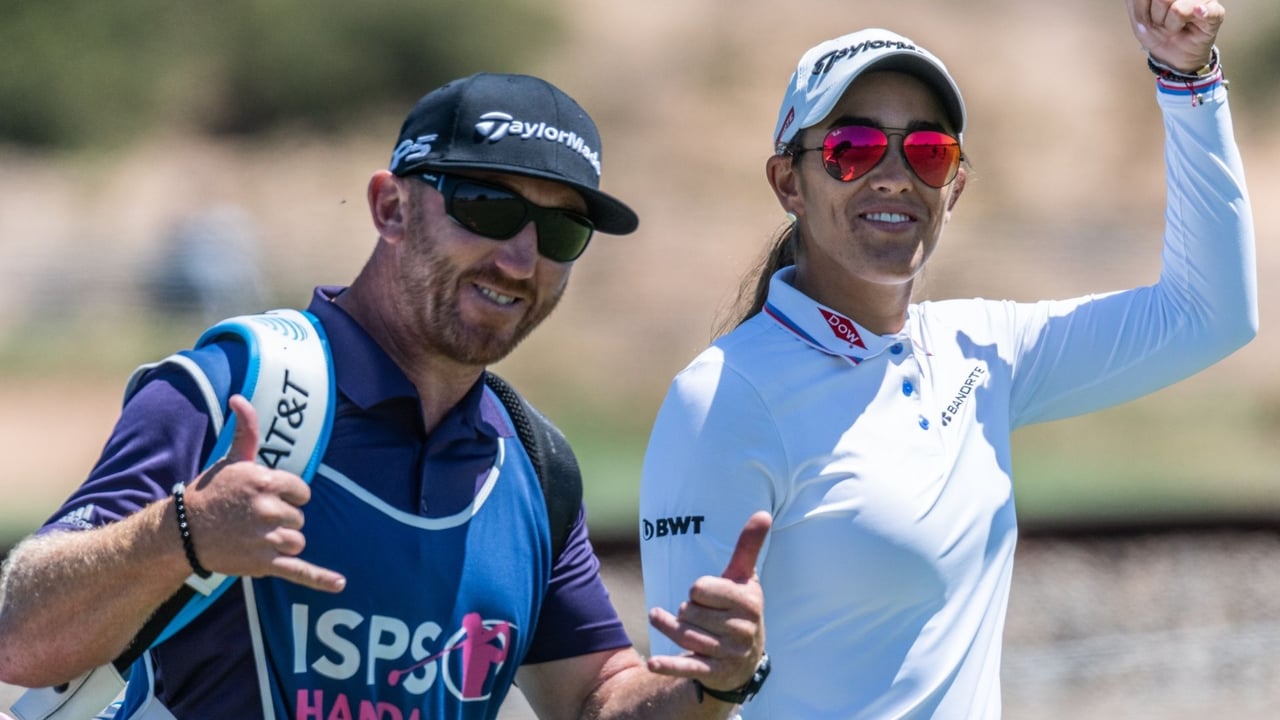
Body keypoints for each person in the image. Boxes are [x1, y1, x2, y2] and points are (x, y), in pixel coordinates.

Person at [0, 72, 770, 720]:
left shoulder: (533, 466)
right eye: (488, 208)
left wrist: (713, 680)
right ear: (390, 207)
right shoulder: (243, 383)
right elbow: (21, 640)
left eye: (561, 230)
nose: (520, 256)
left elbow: (595, 697)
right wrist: (182, 537)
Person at [639, 1, 1255, 717]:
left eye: (929, 151)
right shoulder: (721, 396)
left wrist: (1188, 81)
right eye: (854, 148)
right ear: (788, 183)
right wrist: (719, 681)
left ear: (955, 186)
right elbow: (681, 703)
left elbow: (1208, 316)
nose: (896, 176)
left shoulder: (981, 350)